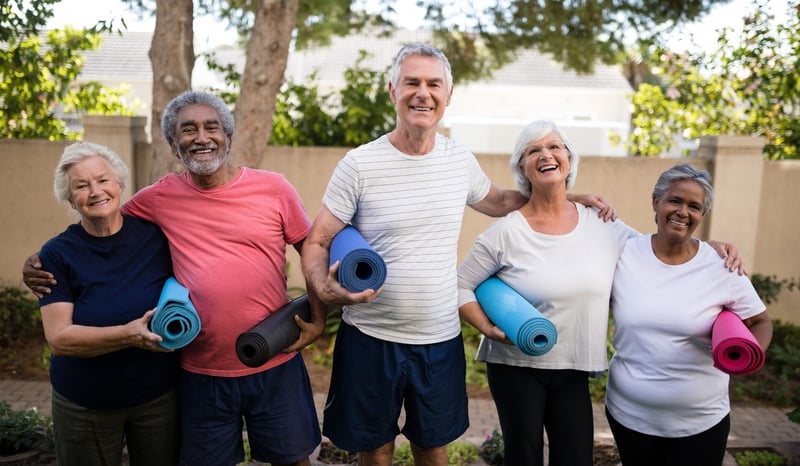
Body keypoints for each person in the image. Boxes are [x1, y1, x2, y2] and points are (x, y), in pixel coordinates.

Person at [300, 44, 614, 466]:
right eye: (412, 82)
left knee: (434, 446)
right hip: (370, 339)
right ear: (392, 89)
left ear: (449, 96)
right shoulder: (360, 165)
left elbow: (501, 200)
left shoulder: (458, 159)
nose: (422, 93)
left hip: (439, 337)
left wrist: (565, 196)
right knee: (374, 448)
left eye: (434, 84)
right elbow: (318, 241)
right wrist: (323, 289)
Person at [24, 91, 326, 466]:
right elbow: (101, 219)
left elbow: (313, 251)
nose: (201, 137)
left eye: (211, 127)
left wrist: (317, 317)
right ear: (172, 143)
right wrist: (38, 262)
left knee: (293, 460)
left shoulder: (274, 188)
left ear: (227, 136)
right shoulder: (157, 199)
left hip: (274, 358)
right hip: (200, 370)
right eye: (188, 130)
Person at [456, 121, 742, 466]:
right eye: (534, 150)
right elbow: (461, 284)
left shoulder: (602, 224)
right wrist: (486, 329)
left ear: (569, 159)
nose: (546, 154)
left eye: (555, 147)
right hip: (516, 365)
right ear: (522, 166)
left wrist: (707, 247)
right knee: (524, 456)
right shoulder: (504, 233)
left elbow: (655, 247)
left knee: (576, 459)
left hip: (574, 367)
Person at [604, 163, 772, 466]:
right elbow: (569, 209)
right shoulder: (624, 252)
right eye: (674, 201)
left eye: (694, 206)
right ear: (656, 203)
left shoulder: (722, 266)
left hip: (701, 422)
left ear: (701, 216)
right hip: (629, 416)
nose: (683, 212)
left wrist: (749, 357)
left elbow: (760, 321)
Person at [37, 142, 179, 466]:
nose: (95, 191)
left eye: (102, 180)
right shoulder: (56, 254)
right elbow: (59, 338)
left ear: (119, 184)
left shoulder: (157, 238)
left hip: (158, 399)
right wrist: (129, 334)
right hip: (85, 403)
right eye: (81, 186)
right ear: (70, 198)